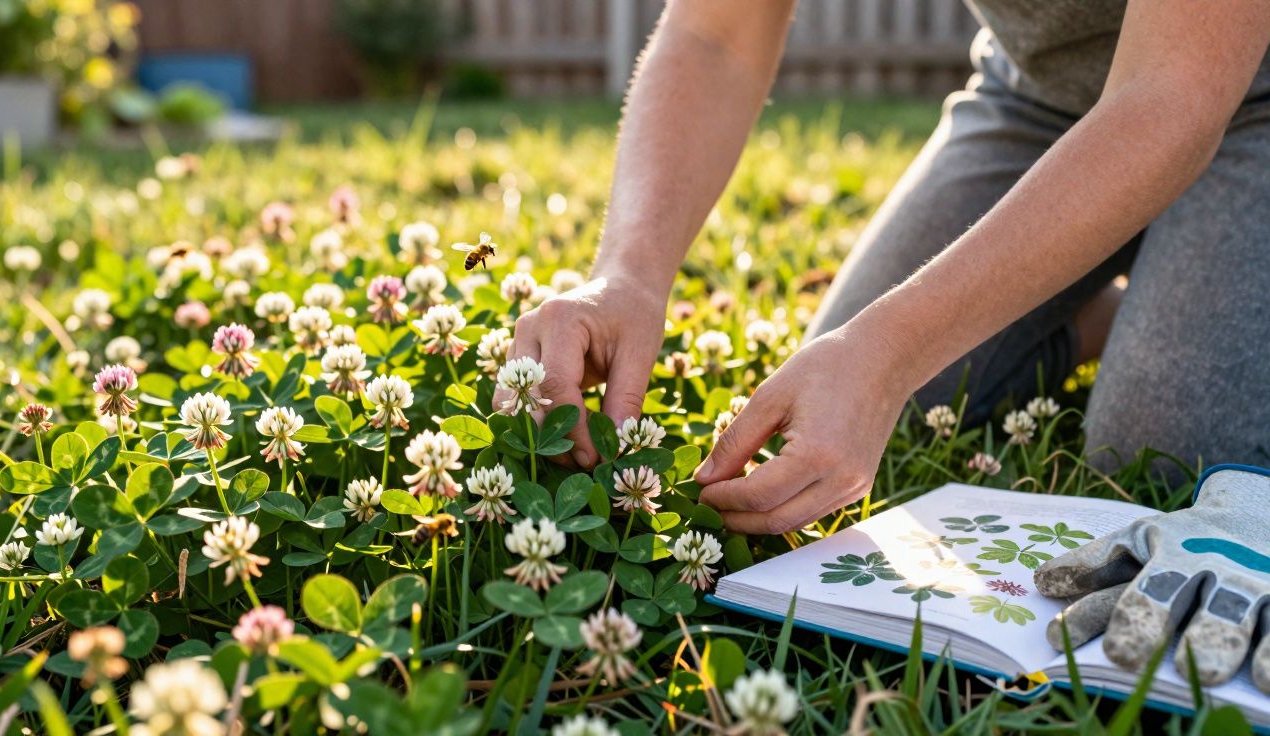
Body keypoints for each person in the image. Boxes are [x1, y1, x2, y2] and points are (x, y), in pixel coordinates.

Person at [495, 0, 1270, 685]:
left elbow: (1174, 90)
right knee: (873, 381)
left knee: (1163, 439)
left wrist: (890, 349)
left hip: (1238, 91)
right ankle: (1107, 313)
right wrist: (626, 273)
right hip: (1041, 92)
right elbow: (716, 30)